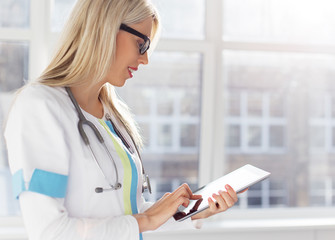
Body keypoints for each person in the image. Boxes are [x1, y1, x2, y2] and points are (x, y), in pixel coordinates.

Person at [4, 0, 243, 239]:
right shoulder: (39, 106)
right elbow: (49, 231)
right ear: (105, 29)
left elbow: (127, 215)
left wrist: (192, 212)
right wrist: (146, 219)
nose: (145, 59)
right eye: (141, 44)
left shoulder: (112, 114)